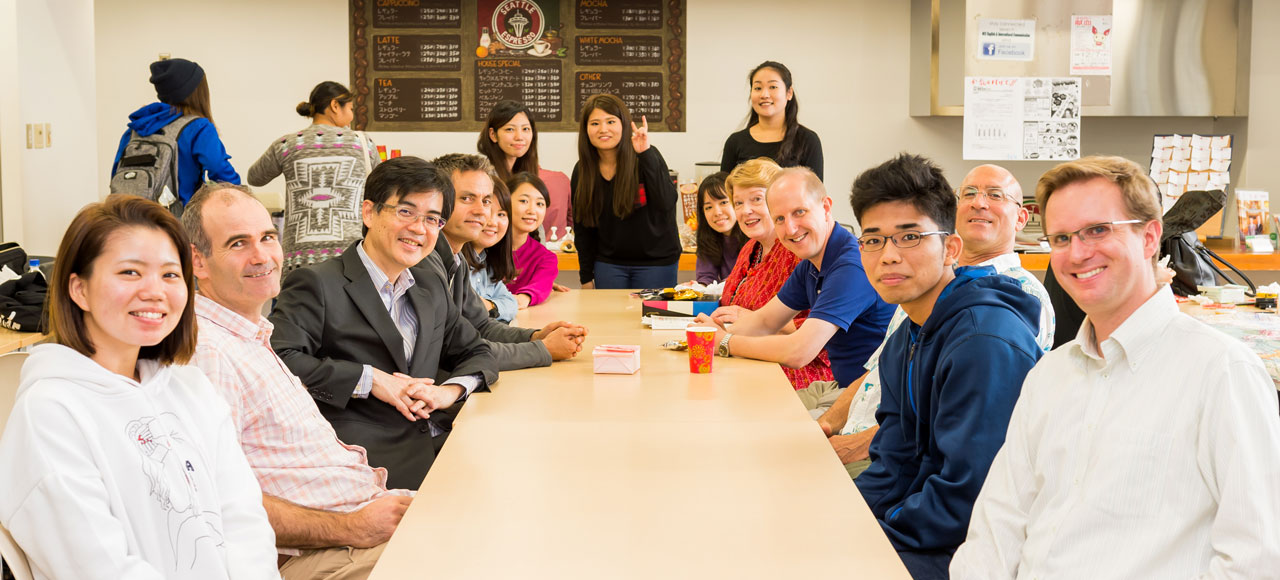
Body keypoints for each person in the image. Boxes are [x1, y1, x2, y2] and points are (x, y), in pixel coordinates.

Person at [951, 156, 1280, 579]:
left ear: (1149, 237)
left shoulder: (1221, 373)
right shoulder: (1049, 377)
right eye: (1062, 237)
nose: (1078, 253)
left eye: (1098, 230)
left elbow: (1256, 559)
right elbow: (996, 530)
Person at [0, 195, 278, 579]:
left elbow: (243, 520)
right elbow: (97, 566)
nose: (155, 291)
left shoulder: (190, 386)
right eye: (130, 272)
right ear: (79, 289)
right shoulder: (50, 413)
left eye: (170, 274)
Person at [183, 183, 414, 579]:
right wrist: (353, 527)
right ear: (198, 262)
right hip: (323, 551)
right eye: (238, 244)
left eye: (267, 237)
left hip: (364, 519)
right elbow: (214, 503)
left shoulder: (250, 334)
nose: (262, 256)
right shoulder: (208, 352)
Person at [848, 154, 1043, 579]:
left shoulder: (983, 341)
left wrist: (871, 539)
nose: (889, 256)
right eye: (873, 240)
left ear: (950, 247)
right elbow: (893, 461)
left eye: (910, 237)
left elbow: (969, 493)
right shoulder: (907, 337)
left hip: (984, 548)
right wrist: (845, 520)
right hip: (933, 529)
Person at [269, 156, 497, 490]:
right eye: (405, 212)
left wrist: (447, 393)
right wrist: (370, 379)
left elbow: (477, 351)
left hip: (445, 448)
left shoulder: (428, 285)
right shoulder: (317, 283)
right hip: (366, 467)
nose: (419, 228)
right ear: (369, 212)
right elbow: (278, 360)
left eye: (432, 219)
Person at [816, 164, 1055, 479]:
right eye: (968, 193)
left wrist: (858, 445)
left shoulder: (1009, 308)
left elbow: (950, 442)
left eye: (995, 195)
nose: (979, 203)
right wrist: (827, 425)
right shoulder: (919, 289)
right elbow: (874, 376)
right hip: (871, 447)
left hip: (887, 461)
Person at [693, 167, 894, 400]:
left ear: (826, 207)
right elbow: (766, 320)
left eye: (799, 212)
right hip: (841, 388)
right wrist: (710, 335)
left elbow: (799, 352)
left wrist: (725, 341)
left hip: (868, 398)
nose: (790, 228)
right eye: (780, 218)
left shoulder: (851, 266)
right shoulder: (812, 263)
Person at [430, 153, 588, 372]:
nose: (482, 211)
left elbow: (482, 326)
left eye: (486, 201)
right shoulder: (424, 262)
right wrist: (543, 349)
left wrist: (535, 336)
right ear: (436, 200)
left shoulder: (457, 260)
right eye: (467, 198)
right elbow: (456, 350)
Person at [710, 158, 832, 390]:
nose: (746, 210)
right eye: (738, 202)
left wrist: (738, 328)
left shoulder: (799, 251)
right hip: (747, 358)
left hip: (794, 372)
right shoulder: (750, 247)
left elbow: (813, 334)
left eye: (756, 199)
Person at [247, 81, 381, 272]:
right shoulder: (362, 143)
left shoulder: (287, 144)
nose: (352, 116)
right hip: (351, 255)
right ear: (335, 106)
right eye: (351, 108)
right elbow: (381, 185)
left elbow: (255, 177)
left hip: (300, 258)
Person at [571, 93, 681, 289]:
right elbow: (582, 229)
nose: (603, 129)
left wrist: (645, 153)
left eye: (611, 121)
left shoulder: (646, 155)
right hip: (609, 264)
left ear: (623, 124)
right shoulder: (583, 170)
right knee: (608, 320)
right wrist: (586, 277)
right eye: (595, 123)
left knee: (650, 319)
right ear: (586, 129)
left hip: (656, 263)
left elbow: (666, 202)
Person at [111, 57, 239, 211]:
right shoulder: (198, 127)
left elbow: (116, 175)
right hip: (178, 222)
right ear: (198, 91)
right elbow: (219, 171)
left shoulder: (137, 126)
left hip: (133, 219)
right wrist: (242, 196)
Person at [478, 100, 573, 236]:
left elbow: (535, 227)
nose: (519, 137)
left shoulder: (528, 175)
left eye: (525, 129)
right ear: (493, 134)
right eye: (510, 129)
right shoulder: (483, 177)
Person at [719, 61, 823, 180]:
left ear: (789, 93)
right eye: (758, 88)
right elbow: (724, 193)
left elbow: (815, 194)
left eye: (773, 87)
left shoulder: (807, 140)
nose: (764, 94)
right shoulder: (735, 142)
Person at [464, 176, 521, 323]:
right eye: (487, 212)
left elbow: (511, 304)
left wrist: (489, 306)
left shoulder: (485, 260)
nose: (492, 222)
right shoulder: (454, 261)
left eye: (501, 214)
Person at [506, 171, 562, 308]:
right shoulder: (485, 247)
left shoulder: (546, 258)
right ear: (504, 202)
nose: (532, 210)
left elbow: (541, 284)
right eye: (524, 201)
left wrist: (524, 298)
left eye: (540, 204)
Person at [694, 171, 746, 284]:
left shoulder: (754, 237)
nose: (717, 212)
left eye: (723, 202)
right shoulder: (708, 239)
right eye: (708, 207)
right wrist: (698, 288)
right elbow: (705, 278)